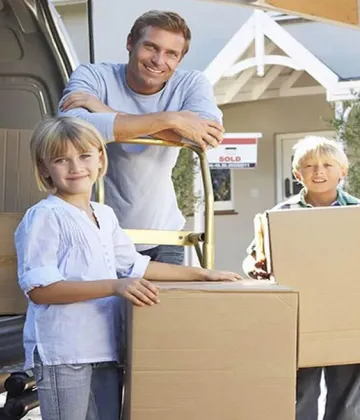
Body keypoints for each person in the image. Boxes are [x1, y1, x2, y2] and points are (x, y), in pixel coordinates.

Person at [15, 116, 240, 420]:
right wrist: (114, 285)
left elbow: (137, 266)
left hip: (106, 349)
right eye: (61, 160)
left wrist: (203, 274)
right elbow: (40, 290)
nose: (75, 167)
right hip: (64, 353)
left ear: (100, 159)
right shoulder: (44, 216)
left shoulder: (104, 215)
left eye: (84, 156)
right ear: (44, 169)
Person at [58, 10, 223, 265]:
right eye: (150, 47)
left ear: (180, 59)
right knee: (104, 306)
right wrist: (172, 121)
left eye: (171, 53)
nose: (159, 60)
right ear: (130, 43)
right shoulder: (93, 76)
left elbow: (207, 137)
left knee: (164, 307)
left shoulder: (191, 83)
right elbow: (72, 128)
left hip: (165, 237)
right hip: (97, 232)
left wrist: (106, 112)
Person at [242, 136, 360, 420]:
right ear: (297, 174)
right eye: (309, 166)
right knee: (301, 390)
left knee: (347, 393)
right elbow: (252, 257)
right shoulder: (280, 215)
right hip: (299, 317)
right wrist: (256, 267)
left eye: (327, 165)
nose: (318, 172)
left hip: (348, 316)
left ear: (343, 171)